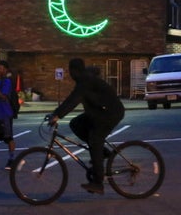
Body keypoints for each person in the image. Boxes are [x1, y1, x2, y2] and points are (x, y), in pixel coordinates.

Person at [48, 58, 125, 195]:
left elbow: (73, 100)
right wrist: (55, 113)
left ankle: (98, 183)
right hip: (99, 112)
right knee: (75, 124)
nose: (70, 75)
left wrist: (58, 115)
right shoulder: (83, 80)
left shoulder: (85, 81)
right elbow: (72, 97)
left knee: (95, 140)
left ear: (74, 71)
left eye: (70, 71)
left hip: (110, 113)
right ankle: (103, 152)